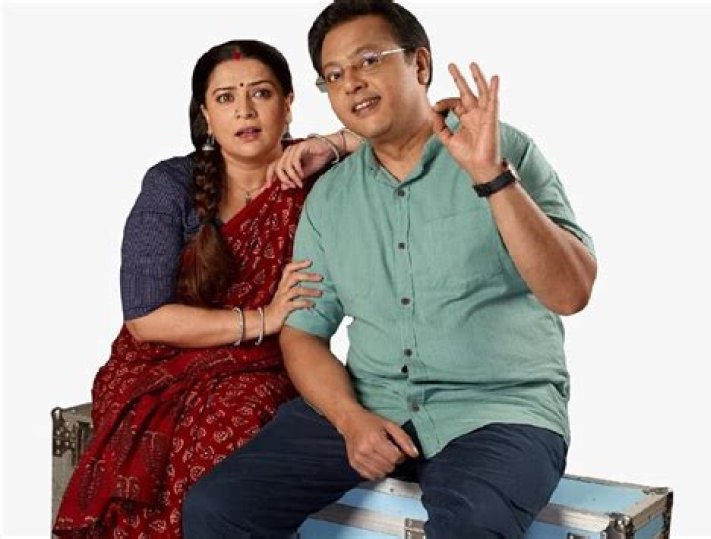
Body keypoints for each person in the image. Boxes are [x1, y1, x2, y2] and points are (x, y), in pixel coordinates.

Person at [183, 0, 598, 537]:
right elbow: (304, 334)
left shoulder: (503, 150)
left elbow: (571, 293)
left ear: (419, 65)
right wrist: (349, 419)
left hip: (499, 409)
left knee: (472, 526)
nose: (352, 83)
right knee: (217, 507)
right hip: (372, 401)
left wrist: (492, 177)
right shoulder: (330, 196)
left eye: (368, 61)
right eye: (334, 75)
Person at [52, 39, 361, 537]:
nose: (245, 110)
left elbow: (412, 133)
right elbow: (146, 317)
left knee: (245, 418)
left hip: (270, 363)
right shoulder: (171, 184)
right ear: (206, 116)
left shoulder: (316, 170)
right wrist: (263, 319)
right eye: (225, 98)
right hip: (157, 365)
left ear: (288, 104)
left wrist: (336, 142)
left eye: (261, 93)